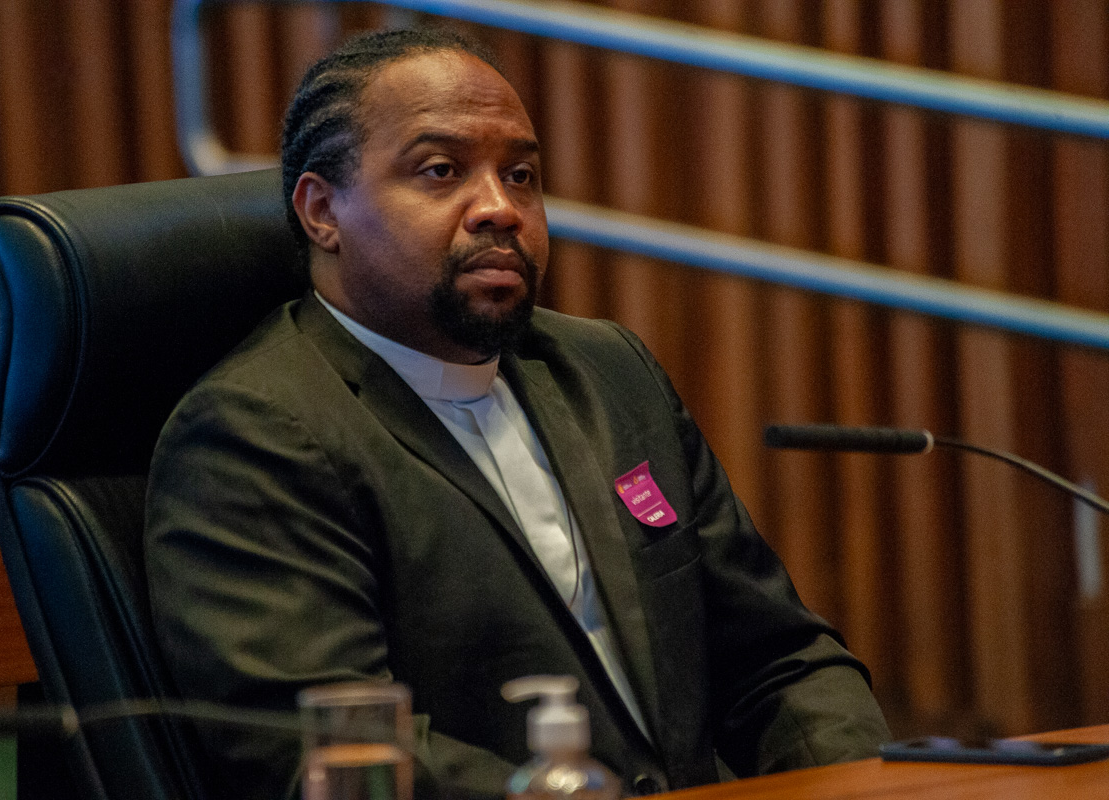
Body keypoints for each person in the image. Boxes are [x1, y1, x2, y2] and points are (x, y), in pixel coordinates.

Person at [144, 27, 890, 800]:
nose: (500, 209)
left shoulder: (608, 371)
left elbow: (778, 661)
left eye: (521, 175)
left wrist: (876, 785)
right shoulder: (255, 433)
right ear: (322, 211)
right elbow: (342, 752)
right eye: (441, 171)